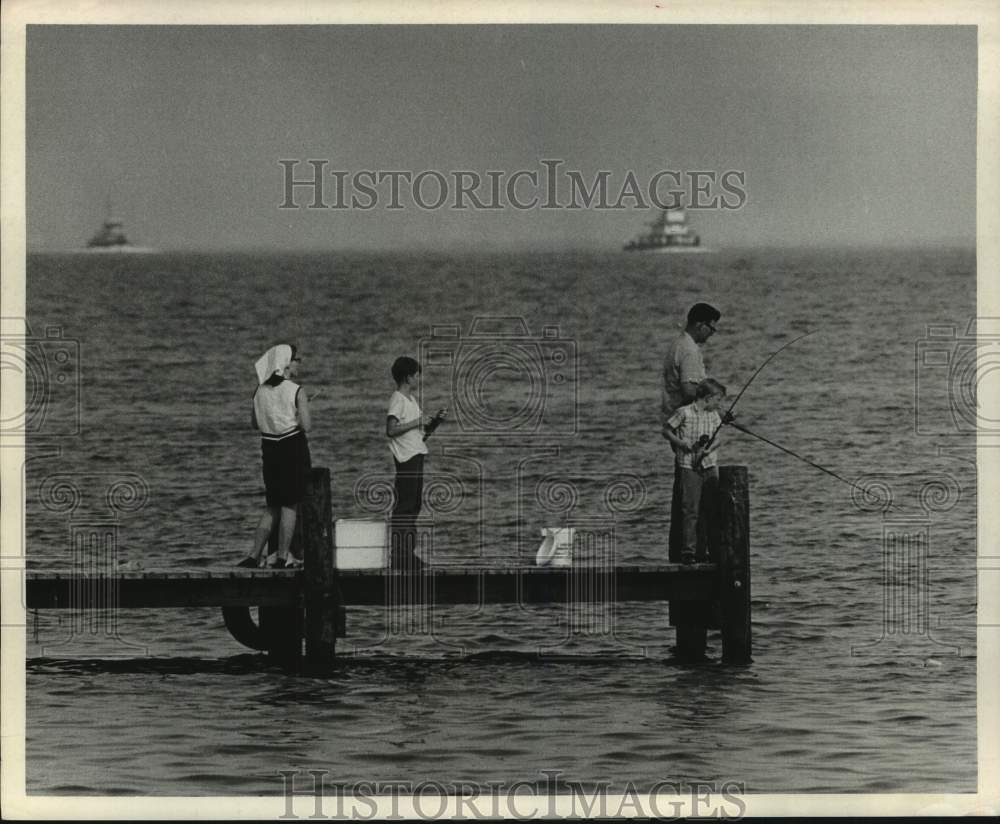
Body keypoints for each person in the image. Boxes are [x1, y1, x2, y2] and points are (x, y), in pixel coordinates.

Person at [239, 343, 312, 569]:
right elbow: (307, 425)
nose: (300, 363)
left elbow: (254, 423)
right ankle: (282, 556)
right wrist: (299, 414)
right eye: (296, 359)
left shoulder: (259, 390)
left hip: (269, 449)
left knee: (272, 505)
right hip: (292, 448)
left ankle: (254, 555)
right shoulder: (296, 390)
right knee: (290, 506)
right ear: (286, 363)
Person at [661, 302, 721, 561]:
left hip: (683, 424)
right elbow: (688, 389)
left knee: (687, 495)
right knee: (697, 496)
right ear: (700, 324)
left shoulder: (678, 344)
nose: (712, 333)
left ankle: (688, 549)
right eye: (711, 327)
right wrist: (712, 398)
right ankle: (695, 551)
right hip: (690, 429)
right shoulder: (689, 350)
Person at [385, 356, 445, 570]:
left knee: (414, 506)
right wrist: (416, 422)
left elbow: (419, 435)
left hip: (417, 453)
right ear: (407, 377)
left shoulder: (411, 400)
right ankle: (399, 555)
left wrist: (433, 423)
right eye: (416, 375)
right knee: (405, 506)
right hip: (406, 459)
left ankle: (408, 554)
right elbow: (391, 430)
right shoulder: (398, 399)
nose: (419, 379)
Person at [662, 378, 727, 565]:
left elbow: (719, 438)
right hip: (688, 465)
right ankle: (688, 552)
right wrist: (682, 444)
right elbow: (666, 430)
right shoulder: (684, 413)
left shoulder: (713, 415)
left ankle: (706, 550)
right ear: (707, 398)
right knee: (690, 510)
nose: (719, 404)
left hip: (709, 465)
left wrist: (710, 448)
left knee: (711, 509)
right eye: (717, 400)